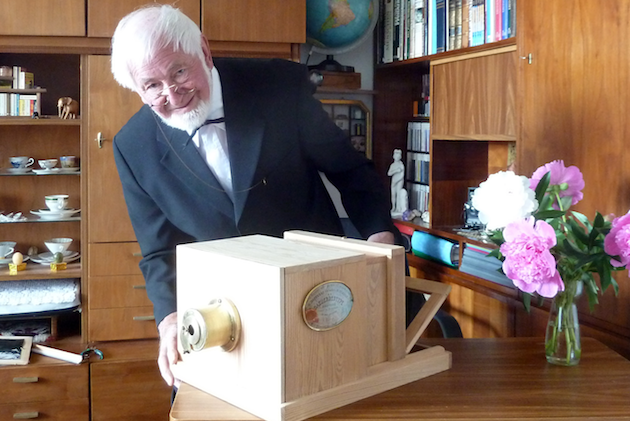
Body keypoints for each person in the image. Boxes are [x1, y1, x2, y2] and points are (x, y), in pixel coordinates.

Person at [110, 5, 399, 388]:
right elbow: (159, 251)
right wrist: (169, 319)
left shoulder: (277, 85)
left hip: (316, 290)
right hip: (222, 316)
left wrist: (379, 235)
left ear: (203, 50)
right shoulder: (132, 147)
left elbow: (347, 168)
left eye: (179, 71)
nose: (171, 93)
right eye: (151, 85)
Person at [387, 149, 405, 214]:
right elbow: (389, 173)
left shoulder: (401, 165)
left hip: (399, 181)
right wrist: (396, 171)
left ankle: (398, 208)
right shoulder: (393, 165)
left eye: (398, 156)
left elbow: (402, 175)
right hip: (394, 181)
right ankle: (393, 207)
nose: (397, 157)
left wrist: (397, 181)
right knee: (393, 194)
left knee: (398, 194)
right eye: (396, 156)